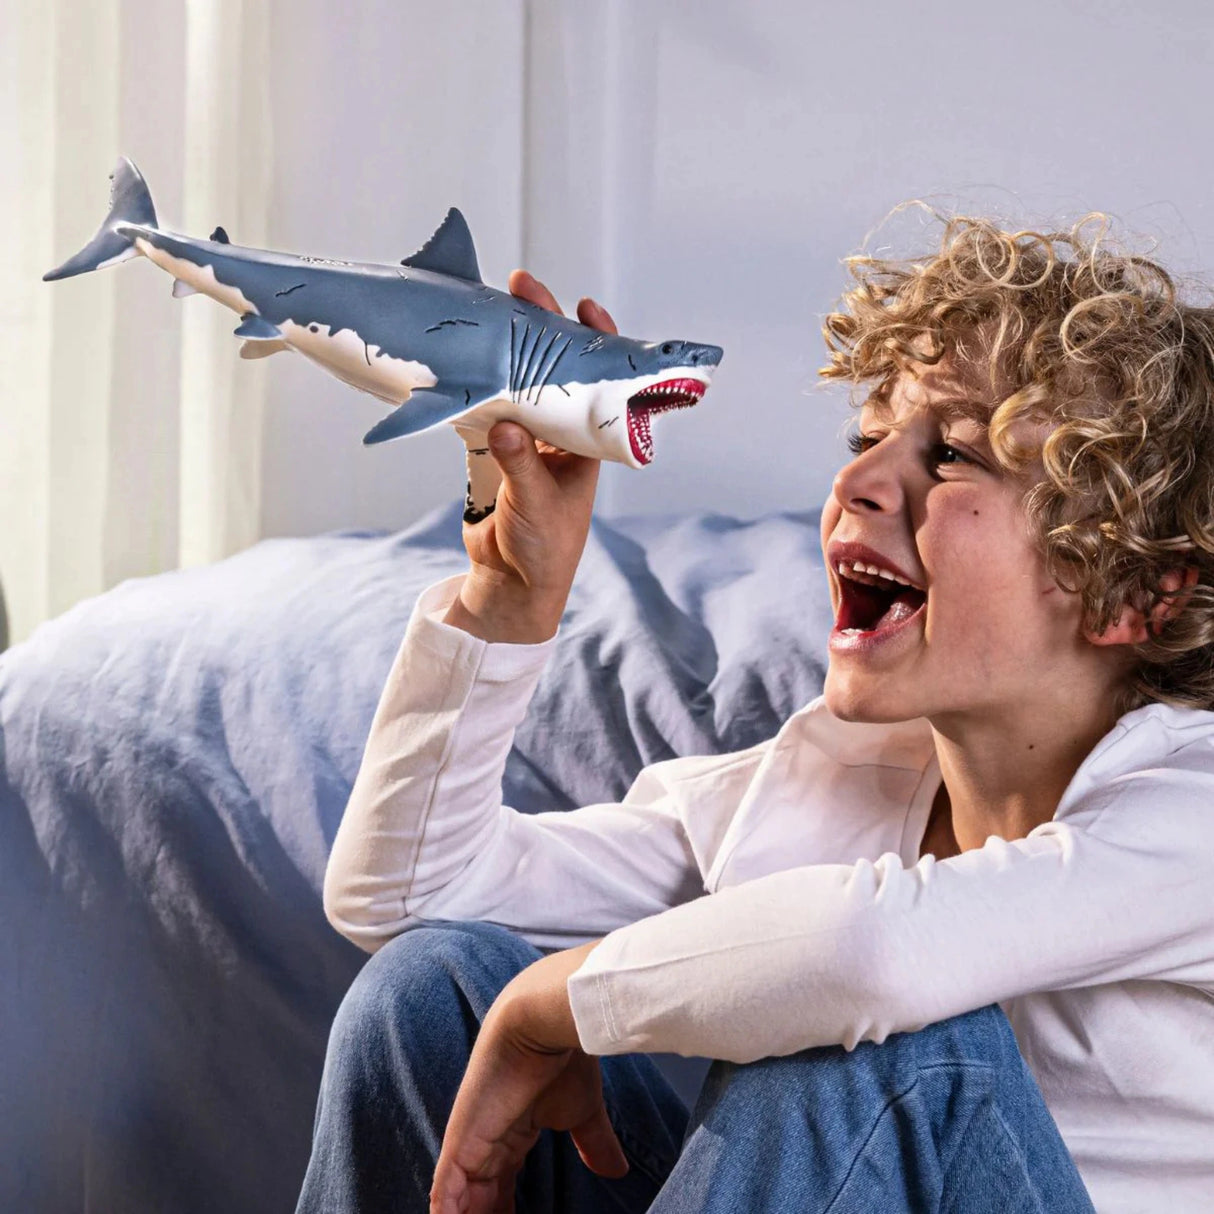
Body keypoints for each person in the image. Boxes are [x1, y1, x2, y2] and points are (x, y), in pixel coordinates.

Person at [296, 212, 1214, 1214]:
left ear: (1133, 595)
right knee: (434, 990)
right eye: (866, 441)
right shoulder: (823, 777)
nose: (856, 483)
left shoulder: (1189, 805)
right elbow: (403, 899)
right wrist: (506, 605)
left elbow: (864, 957)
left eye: (950, 456)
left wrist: (554, 1005)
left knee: (874, 1046)